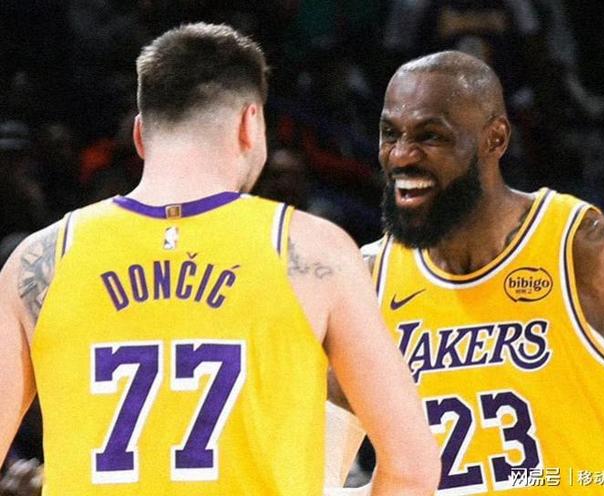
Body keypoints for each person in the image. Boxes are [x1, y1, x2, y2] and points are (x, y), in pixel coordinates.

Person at [0, 23, 440, 496]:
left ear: (140, 134)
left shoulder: (41, 259)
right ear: (250, 124)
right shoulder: (314, 250)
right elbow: (411, 467)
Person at [328, 50, 604, 494]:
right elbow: (317, 471)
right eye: (390, 133)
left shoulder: (588, 256)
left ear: (495, 138)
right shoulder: (367, 282)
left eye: (431, 136)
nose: (402, 155)